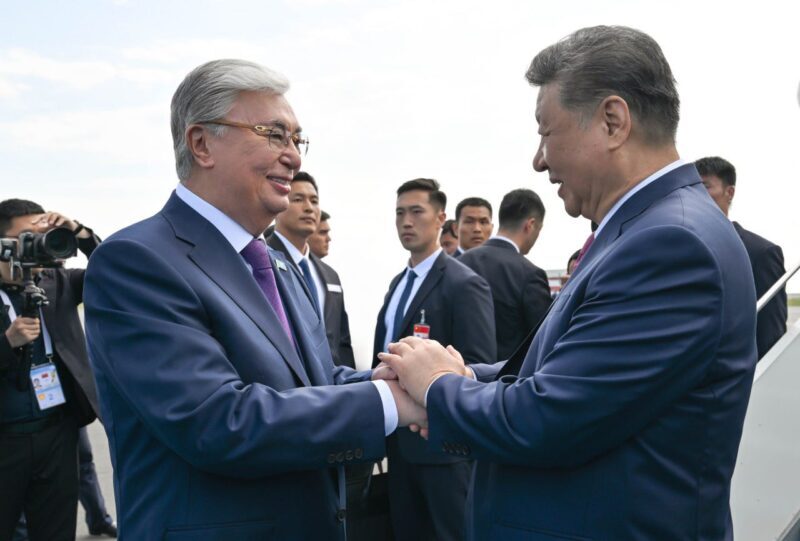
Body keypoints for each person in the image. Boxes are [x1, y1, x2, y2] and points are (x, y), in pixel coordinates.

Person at [378, 26, 758, 540]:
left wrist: (439, 387)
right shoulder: (644, 230)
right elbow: (567, 376)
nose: (539, 160)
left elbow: (548, 418)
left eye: (546, 133)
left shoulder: (671, 244)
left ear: (612, 121)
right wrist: (461, 376)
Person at [82, 59, 425, 540]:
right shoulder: (137, 261)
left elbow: (316, 382)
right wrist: (386, 402)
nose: (294, 157)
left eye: (298, 140)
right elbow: (216, 421)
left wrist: (404, 376)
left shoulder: (276, 263)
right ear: (202, 144)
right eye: (274, 135)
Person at [373, 178, 496, 541]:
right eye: (399, 213)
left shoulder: (464, 284)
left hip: (443, 450)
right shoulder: (397, 285)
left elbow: (476, 366)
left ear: (441, 218)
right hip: (397, 445)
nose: (406, 222)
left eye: (416, 212)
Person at [0, 199, 102, 541]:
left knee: (56, 531)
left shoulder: (58, 281)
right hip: (6, 439)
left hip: (57, 433)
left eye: (43, 234)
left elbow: (113, 270)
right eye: (27, 237)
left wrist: (78, 231)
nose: (39, 243)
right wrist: (7, 343)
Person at [695, 156, 787, 359]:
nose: (694, 194)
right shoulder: (679, 249)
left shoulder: (760, 252)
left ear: (729, 192)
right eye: (691, 187)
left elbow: (770, 336)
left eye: (704, 186)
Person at [268, 171, 355, 368]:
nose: (308, 208)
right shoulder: (261, 261)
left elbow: (342, 343)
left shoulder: (330, 275)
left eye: (314, 201)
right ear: (279, 204)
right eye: (298, 199)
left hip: (334, 382)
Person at [459, 188, 552, 359]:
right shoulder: (530, 274)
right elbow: (544, 339)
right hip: (506, 373)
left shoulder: (458, 264)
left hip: (454, 370)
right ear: (530, 225)